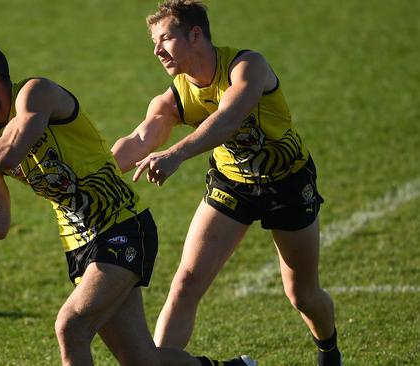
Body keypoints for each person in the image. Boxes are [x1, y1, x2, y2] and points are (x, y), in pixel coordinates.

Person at [0, 40, 256, 366]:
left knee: (70, 325)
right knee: (144, 360)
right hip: (81, 249)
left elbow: (12, 151)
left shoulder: (35, 93)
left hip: (124, 226)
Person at [111, 1, 341, 365]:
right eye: (154, 43)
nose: (157, 50)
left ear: (196, 35)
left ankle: (328, 348)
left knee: (302, 294)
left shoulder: (248, 67)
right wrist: (97, 174)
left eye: (165, 39)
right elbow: (140, 139)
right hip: (232, 185)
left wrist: (175, 155)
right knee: (185, 283)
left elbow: (229, 118)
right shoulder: (174, 97)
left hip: (288, 184)